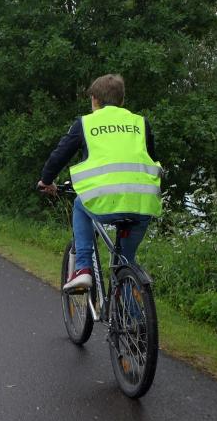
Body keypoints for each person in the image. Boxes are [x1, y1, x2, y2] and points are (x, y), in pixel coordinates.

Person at [37, 74, 162, 291]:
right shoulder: (141, 123)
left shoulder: (85, 123)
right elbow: (150, 159)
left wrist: (46, 181)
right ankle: (132, 306)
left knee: (80, 204)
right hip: (143, 202)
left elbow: (59, 157)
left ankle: (83, 268)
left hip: (105, 200)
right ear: (122, 100)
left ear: (94, 99)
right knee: (126, 261)